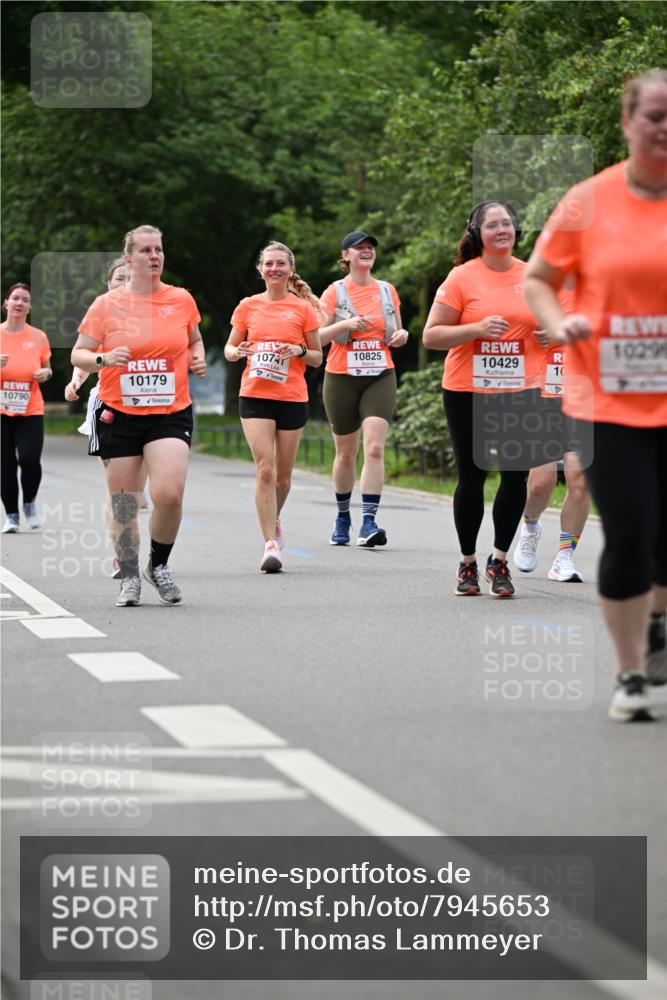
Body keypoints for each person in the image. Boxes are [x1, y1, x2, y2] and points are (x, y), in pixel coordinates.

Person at [524, 68, 667, 721]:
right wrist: (558, 324)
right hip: (605, 397)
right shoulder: (587, 201)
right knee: (631, 531)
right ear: (627, 123)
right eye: (654, 115)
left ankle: (657, 623)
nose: (664, 128)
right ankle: (630, 672)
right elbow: (539, 280)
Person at [71, 224, 207, 606]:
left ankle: (158, 565)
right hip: (120, 412)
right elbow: (78, 354)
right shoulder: (105, 305)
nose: (154, 256)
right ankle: (128, 575)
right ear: (128, 259)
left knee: (169, 493)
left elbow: (194, 339)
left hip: (170, 412)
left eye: (158, 249)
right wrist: (103, 359)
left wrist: (196, 357)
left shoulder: (180, 300)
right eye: (145, 250)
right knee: (125, 502)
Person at [423, 202, 543, 597]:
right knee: (472, 478)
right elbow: (431, 336)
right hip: (467, 390)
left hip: (520, 390)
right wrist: (475, 328)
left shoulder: (533, 275)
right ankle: (467, 564)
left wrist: (551, 335)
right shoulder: (461, 278)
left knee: (515, 476)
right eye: (492, 225)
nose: (502, 229)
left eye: (507, 223)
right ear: (477, 233)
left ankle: (500, 560)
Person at [224, 241, 322, 572]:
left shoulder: (303, 309)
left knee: (282, 477)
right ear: (260, 269)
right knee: (264, 469)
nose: (274, 269)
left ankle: (274, 517)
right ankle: (270, 543)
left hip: (292, 397)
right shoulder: (248, 306)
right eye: (269, 263)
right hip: (254, 394)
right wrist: (237, 353)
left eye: (281, 263)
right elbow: (229, 348)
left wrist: (298, 352)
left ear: (291, 270)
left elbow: (317, 356)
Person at [318, 231, 410, 547]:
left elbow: (398, 331)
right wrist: (345, 325)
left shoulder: (387, 290)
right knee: (346, 452)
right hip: (341, 377)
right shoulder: (333, 292)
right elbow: (315, 338)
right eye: (360, 248)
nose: (367, 251)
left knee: (373, 447)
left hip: (379, 375)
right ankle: (343, 517)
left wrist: (402, 337)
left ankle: (369, 522)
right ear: (346, 256)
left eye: (370, 247)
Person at [65, 258, 148, 579]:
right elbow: (84, 354)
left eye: (131, 277)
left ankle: (142, 550)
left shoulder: (152, 314)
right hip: (109, 405)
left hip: (149, 408)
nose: (125, 282)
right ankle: (123, 555)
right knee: (120, 493)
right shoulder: (102, 312)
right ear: (108, 284)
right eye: (119, 278)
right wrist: (76, 381)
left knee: (137, 496)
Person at [513, 300, 591, 583]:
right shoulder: (536, 286)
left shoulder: (597, 286)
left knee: (580, 479)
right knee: (540, 484)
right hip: (542, 398)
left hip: (584, 396)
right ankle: (530, 526)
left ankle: (564, 557)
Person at [1, 283, 52, 533]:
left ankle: (29, 502)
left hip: (30, 409)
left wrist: (45, 373)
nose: (19, 303)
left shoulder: (38, 336)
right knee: (5, 464)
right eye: (15, 298)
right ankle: (11, 515)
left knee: (30, 460)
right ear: (6, 303)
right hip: (1, 411)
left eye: (25, 300)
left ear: (30, 307)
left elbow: (47, 368)